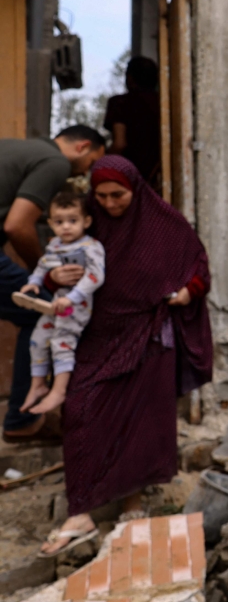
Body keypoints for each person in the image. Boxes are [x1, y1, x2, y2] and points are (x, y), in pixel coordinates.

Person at [38, 156, 212, 556]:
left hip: (147, 335)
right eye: (102, 196)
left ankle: (131, 505)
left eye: (119, 195)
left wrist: (188, 292)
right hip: (97, 334)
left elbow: (197, 267)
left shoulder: (164, 224)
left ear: (135, 189)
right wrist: (53, 278)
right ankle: (81, 509)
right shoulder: (89, 223)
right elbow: (54, 263)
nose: (111, 203)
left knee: (139, 423)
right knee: (81, 409)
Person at [0, 125, 105, 440]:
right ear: (83, 146)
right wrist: (46, 276)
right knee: (41, 308)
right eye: (92, 163)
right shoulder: (54, 161)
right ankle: (22, 421)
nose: (87, 172)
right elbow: (17, 225)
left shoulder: (16, 148)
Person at [19, 193, 105, 414]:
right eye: (59, 222)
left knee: (62, 341)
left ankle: (59, 390)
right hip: (57, 303)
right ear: (50, 224)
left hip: (77, 305)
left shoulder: (91, 246)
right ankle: (38, 385)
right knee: (38, 337)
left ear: (86, 221)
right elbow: (43, 264)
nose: (66, 227)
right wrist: (34, 283)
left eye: (72, 221)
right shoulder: (55, 245)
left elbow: (95, 276)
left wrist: (72, 297)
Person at [104, 57, 161, 185]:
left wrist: (105, 163)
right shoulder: (164, 104)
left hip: (127, 176)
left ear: (129, 78)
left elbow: (119, 144)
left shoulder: (120, 103)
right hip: (158, 176)